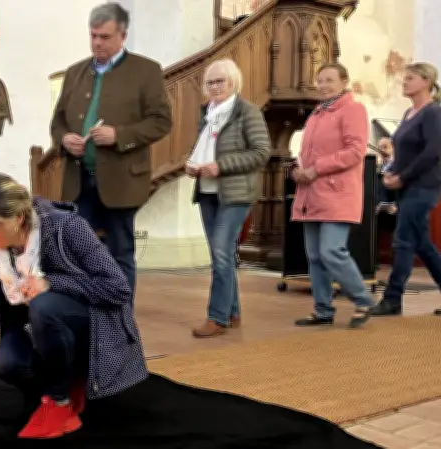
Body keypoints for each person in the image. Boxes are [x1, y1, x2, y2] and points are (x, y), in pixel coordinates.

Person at [0, 174, 145, 439]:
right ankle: (62, 387)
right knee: (7, 362)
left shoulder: (67, 228)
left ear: (19, 217)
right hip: (37, 331)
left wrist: (51, 283)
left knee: (44, 306)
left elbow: (118, 288)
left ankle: (59, 400)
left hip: (88, 328)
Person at [51, 2, 172, 297]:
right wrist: (65, 139)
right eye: (93, 36)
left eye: (104, 37)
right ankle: (86, 314)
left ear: (123, 35)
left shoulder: (146, 71)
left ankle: (121, 317)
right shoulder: (75, 72)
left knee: (120, 253)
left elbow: (161, 122)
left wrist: (119, 135)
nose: (97, 43)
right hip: (79, 181)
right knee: (77, 253)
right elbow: (58, 121)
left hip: (122, 181)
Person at [370, 62, 441, 317]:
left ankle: (392, 299)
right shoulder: (408, 113)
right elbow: (404, 151)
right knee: (421, 243)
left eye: (410, 78)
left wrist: (402, 177)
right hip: (406, 185)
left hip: (424, 185)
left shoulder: (434, 113)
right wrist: (391, 171)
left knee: (403, 240)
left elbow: (431, 152)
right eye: (405, 78)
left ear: (426, 82)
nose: (404, 82)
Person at [184, 59, 271, 337]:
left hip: (235, 193)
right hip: (207, 191)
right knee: (221, 254)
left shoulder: (247, 111)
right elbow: (205, 148)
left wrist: (221, 166)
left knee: (221, 253)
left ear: (233, 82)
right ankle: (232, 312)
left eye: (220, 81)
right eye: (210, 82)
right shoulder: (207, 112)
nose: (214, 86)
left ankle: (217, 317)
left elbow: (261, 152)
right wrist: (192, 165)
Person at [290, 63, 374, 328]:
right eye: (320, 80)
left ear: (344, 82)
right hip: (311, 192)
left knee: (331, 251)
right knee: (315, 256)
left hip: (337, 192)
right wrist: (298, 169)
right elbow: (307, 152)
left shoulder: (353, 109)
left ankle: (363, 300)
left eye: (330, 80)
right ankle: (323, 310)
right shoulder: (317, 113)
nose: (323, 85)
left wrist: (316, 169)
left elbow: (355, 151)